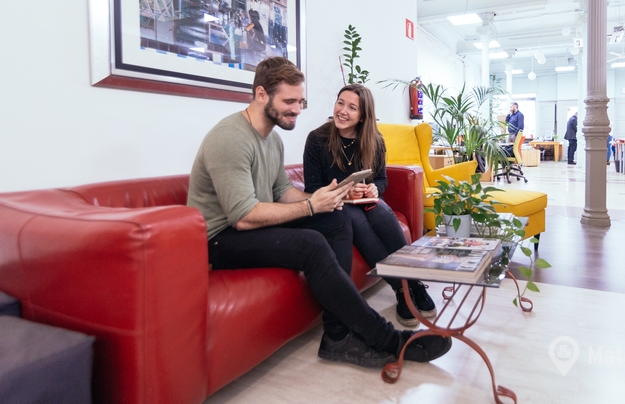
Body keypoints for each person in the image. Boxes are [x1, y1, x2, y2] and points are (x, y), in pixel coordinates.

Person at [187, 57, 451, 369]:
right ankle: (389, 340)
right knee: (311, 243)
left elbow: (283, 191)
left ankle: (336, 336)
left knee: (336, 218)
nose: (297, 109)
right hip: (220, 239)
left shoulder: (271, 139)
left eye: (301, 101)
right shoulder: (231, 137)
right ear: (261, 94)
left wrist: (323, 199)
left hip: (249, 227)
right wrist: (311, 205)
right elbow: (243, 216)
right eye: (289, 101)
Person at [303, 84, 437, 328]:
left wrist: (375, 188)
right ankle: (402, 290)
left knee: (382, 213)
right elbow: (311, 188)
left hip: (367, 202)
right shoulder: (317, 139)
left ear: (363, 115)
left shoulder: (374, 139)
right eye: (340, 103)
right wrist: (342, 192)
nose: (342, 111)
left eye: (352, 107)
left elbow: (381, 178)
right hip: (337, 207)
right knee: (357, 220)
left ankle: (414, 284)